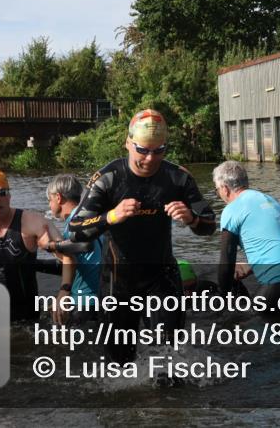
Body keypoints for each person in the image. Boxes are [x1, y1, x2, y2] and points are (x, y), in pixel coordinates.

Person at [67, 109, 216, 363]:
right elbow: (75, 230)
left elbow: (210, 225)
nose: (150, 158)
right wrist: (111, 217)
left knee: (170, 361)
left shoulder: (177, 178)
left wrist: (192, 219)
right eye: (143, 150)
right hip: (117, 280)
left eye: (159, 151)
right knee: (118, 365)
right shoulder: (108, 178)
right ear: (128, 143)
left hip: (162, 277)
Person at [0, 168, 74, 322]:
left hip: (28, 319)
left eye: (2, 193)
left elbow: (68, 257)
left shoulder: (34, 223)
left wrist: (64, 292)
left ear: (9, 196)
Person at [213, 161, 280, 305]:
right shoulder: (269, 200)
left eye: (217, 191)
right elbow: (277, 245)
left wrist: (222, 298)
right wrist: (251, 265)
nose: (219, 195)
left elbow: (226, 263)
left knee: (250, 321)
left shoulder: (232, 209)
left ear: (225, 188)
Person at [46, 174, 104, 320]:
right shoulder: (94, 218)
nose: (49, 205)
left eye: (49, 200)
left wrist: (52, 246)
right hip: (105, 296)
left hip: (84, 301)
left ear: (58, 198)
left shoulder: (74, 223)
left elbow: (73, 257)